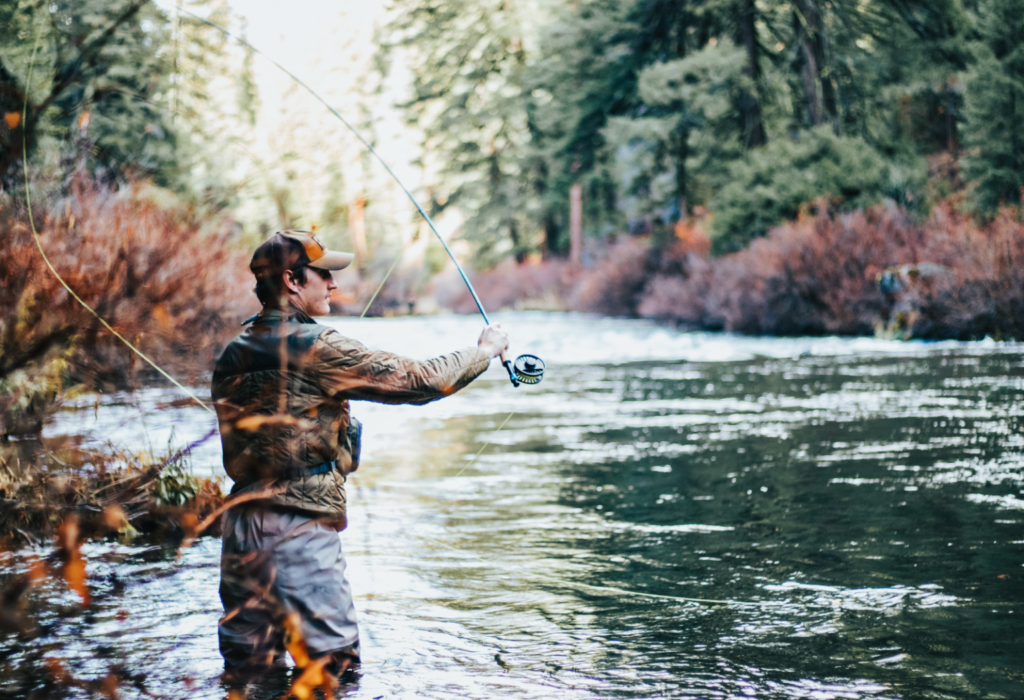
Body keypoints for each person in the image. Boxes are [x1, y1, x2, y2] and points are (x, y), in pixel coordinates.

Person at [211, 230, 508, 679]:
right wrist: (483, 352)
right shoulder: (318, 347)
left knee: (249, 679)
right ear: (292, 280)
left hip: (240, 531)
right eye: (323, 274)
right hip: (298, 529)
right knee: (333, 675)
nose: (332, 284)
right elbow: (419, 381)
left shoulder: (232, 353)